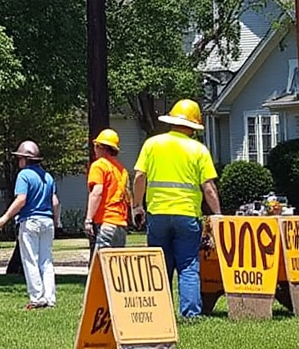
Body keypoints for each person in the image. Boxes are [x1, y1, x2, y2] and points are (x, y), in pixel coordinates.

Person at [131, 99, 222, 320]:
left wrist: (137, 205)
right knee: (189, 264)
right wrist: (218, 214)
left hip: (158, 214)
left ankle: (159, 312)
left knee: (159, 266)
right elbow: (208, 188)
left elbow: (140, 176)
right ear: (193, 126)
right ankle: (190, 314)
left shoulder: (152, 144)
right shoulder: (198, 150)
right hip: (187, 216)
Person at [0, 141, 60, 309]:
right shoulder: (48, 176)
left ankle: (37, 298)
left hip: (30, 222)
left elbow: (21, 199)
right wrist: (56, 221)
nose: (19, 162)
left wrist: (5, 217)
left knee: (30, 260)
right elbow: (55, 201)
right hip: (47, 222)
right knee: (46, 261)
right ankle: (50, 298)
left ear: (25, 159)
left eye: (20, 158)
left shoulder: (24, 175)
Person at [84, 128, 131, 256]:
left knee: (99, 268)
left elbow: (97, 192)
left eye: (96, 146)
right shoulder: (122, 170)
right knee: (114, 270)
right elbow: (127, 196)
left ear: (101, 147)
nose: (94, 149)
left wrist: (88, 219)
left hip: (106, 223)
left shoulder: (99, 165)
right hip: (121, 225)